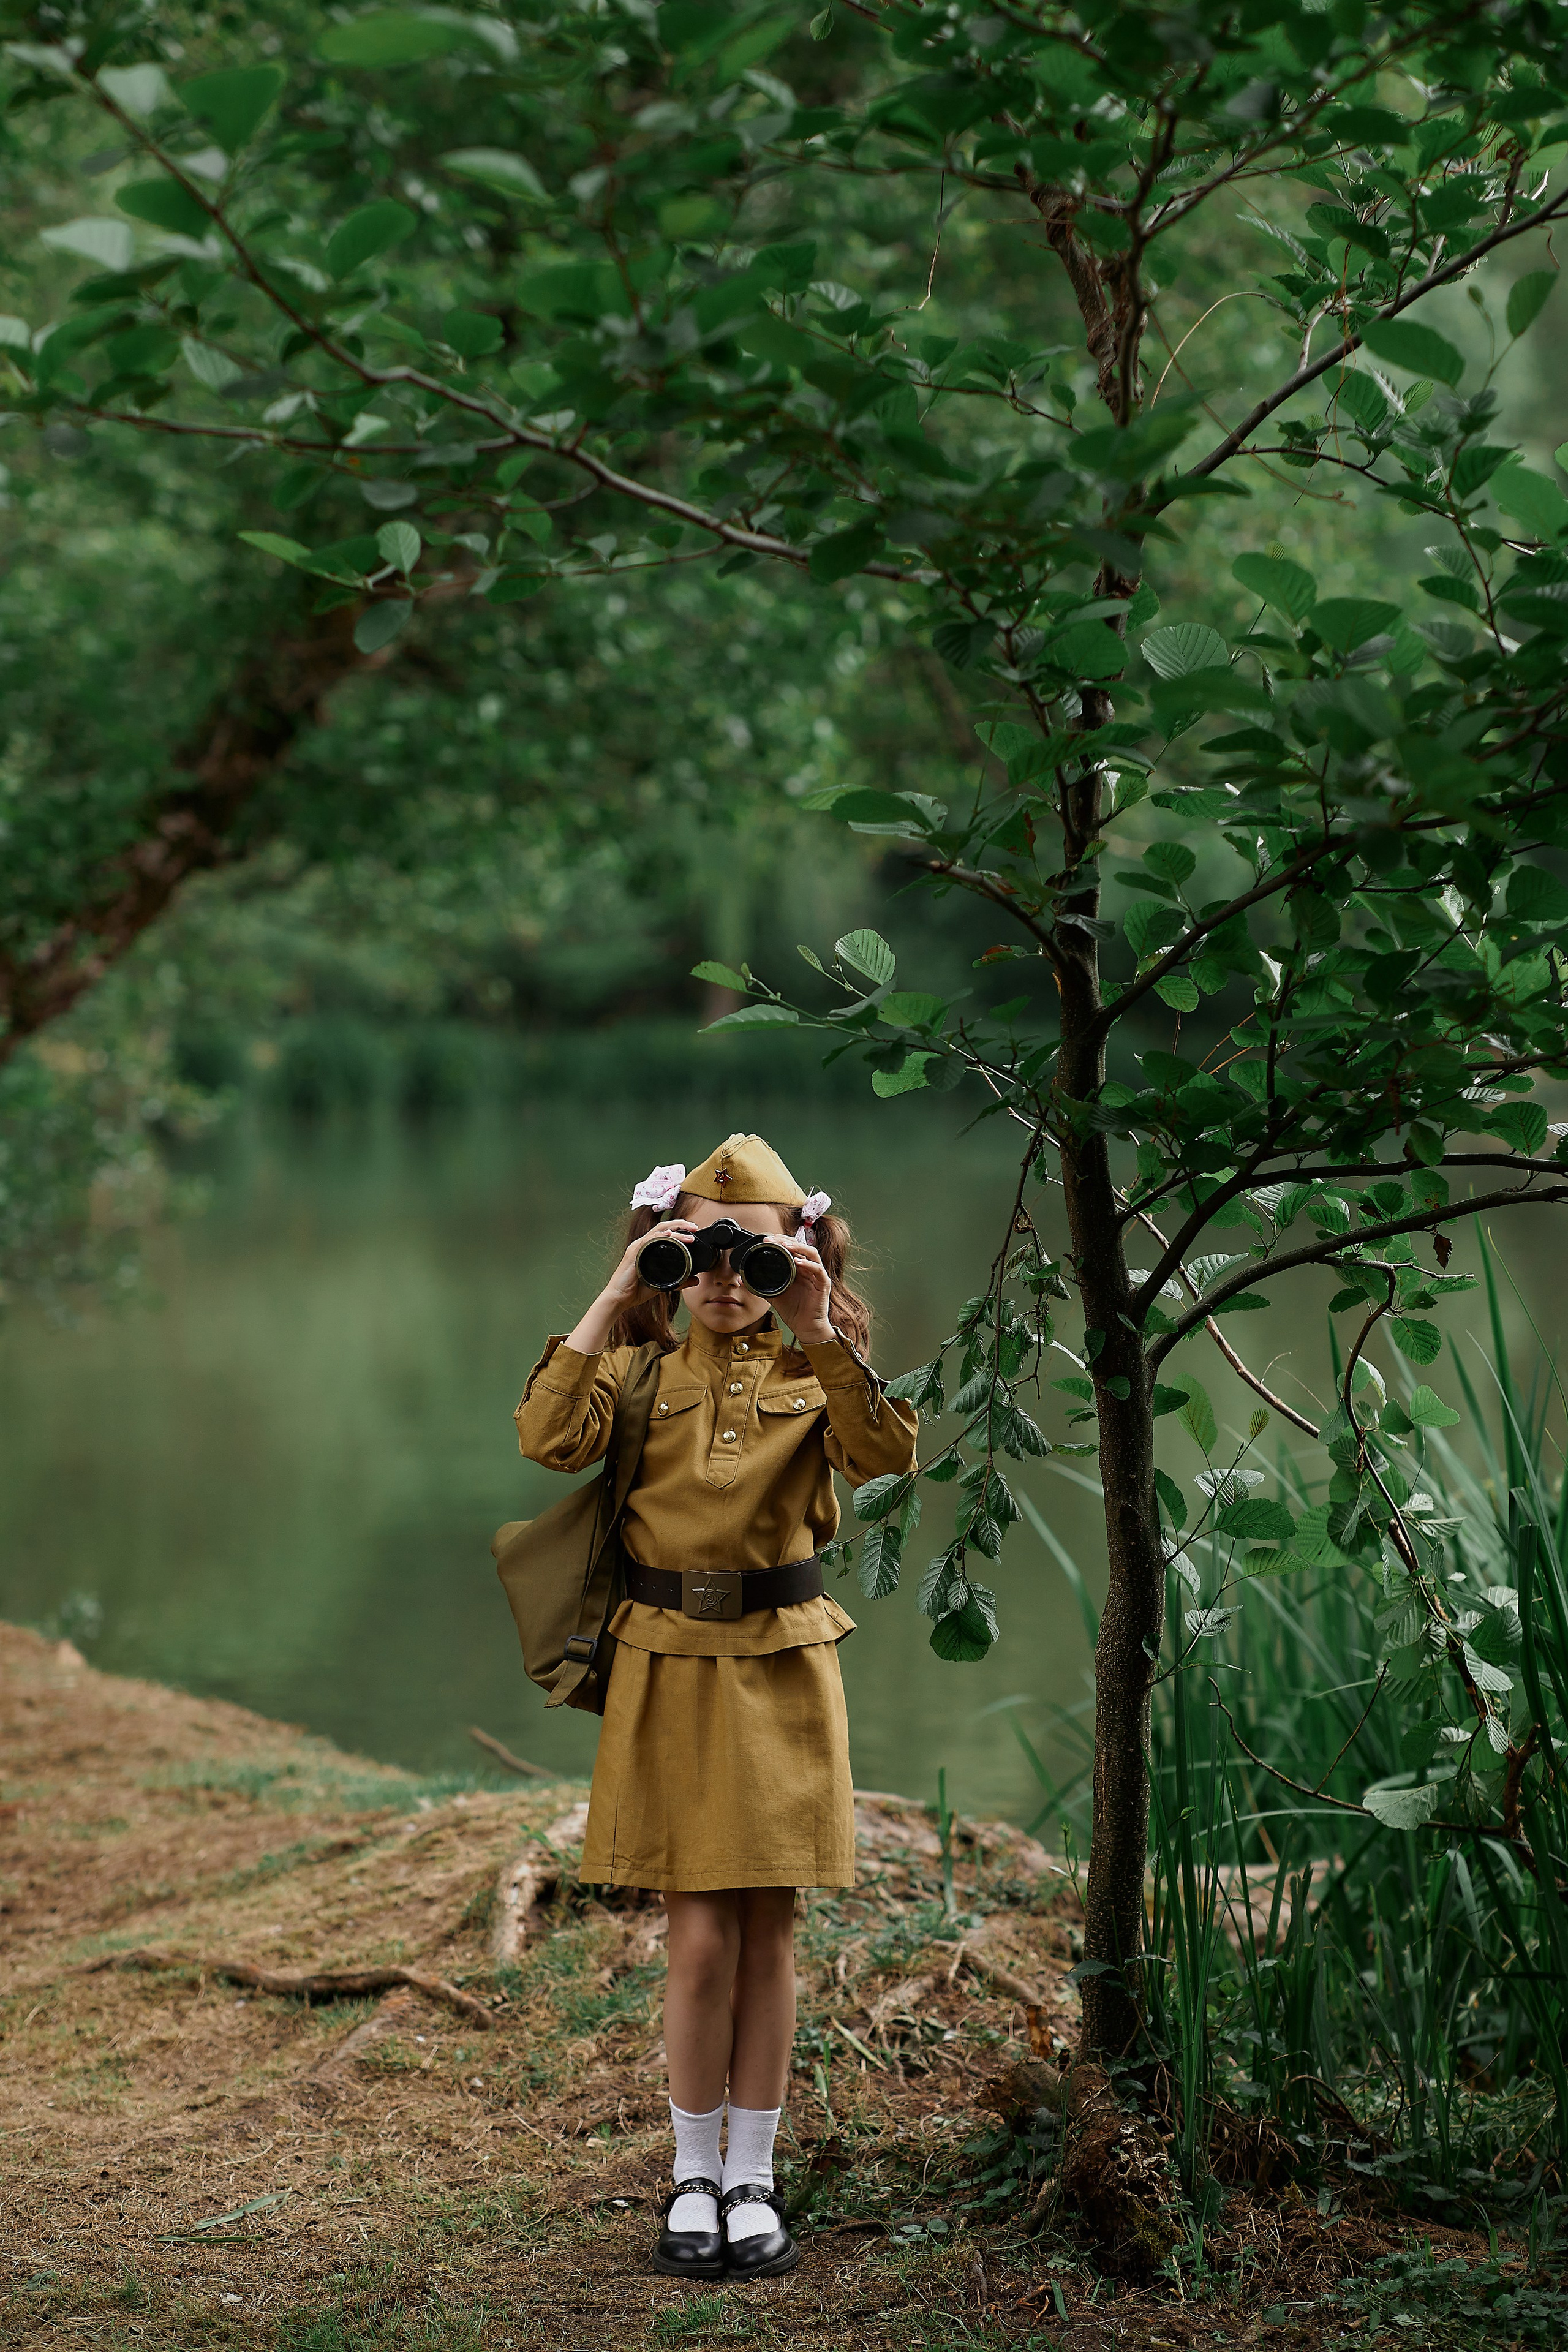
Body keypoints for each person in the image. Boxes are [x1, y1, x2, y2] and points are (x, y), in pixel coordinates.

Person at [514, 1131, 918, 2281]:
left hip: (785, 1663)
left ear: (800, 1256)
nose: (725, 1280)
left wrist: (821, 1326)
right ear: (664, 1260)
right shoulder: (641, 1375)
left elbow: (887, 1455)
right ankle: (695, 2174)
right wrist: (615, 1288)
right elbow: (547, 1439)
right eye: (698, 1257)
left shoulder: (816, 1373)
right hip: (667, 1665)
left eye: (753, 1258)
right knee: (698, 1944)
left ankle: (756, 2177)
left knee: (770, 1933)